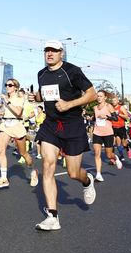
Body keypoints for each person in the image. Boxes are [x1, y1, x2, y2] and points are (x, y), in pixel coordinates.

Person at [31, 40, 98, 231]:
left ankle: (87, 180)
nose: (50, 53)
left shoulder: (72, 71)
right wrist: (35, 97)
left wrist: (69, 104)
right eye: (47, 50)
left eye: (54, 50)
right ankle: (52, 216)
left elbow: (92, 94)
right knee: (48, 164)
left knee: (73, 172)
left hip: (73, 125)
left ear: (61, 53)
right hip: (51, 125)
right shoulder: (41, 74)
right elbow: (45, 94)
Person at [0, 80, 38, 189]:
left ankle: (32, 171)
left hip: (16, 124)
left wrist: (7, 102)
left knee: (23, 152)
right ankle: (4, 178)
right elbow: (7, 112)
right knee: (1, 151)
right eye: (6, 85)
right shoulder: (6, 99)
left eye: (10, 85)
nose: (7, 87)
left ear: (16, 87)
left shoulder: (20, 99)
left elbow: (18, 112)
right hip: (5, 124)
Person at [92, 91, 122, 182]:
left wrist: (107, 117)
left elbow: (116, 118)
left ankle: (115, 158)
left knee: (109, 155)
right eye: (98, 96)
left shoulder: (108, 106)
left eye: (101, 96)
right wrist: (91, 118)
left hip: (108, 133)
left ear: (105, 97)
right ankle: (98, 174)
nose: (99, 98)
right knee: (97, 154)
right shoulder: (95, 107)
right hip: (97, 132)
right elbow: (95, 118)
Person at [110, 96, 131, 161]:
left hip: (121, 127)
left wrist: (119, 114)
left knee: (124, 143)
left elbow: (127, 116)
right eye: (112, 100)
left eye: (114, 100)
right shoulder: (111, 108)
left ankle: (128, 149)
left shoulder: (121, 107)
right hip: (114, 127)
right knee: (116, 143)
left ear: (117, 101)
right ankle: (120, 156)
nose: (113, 102)